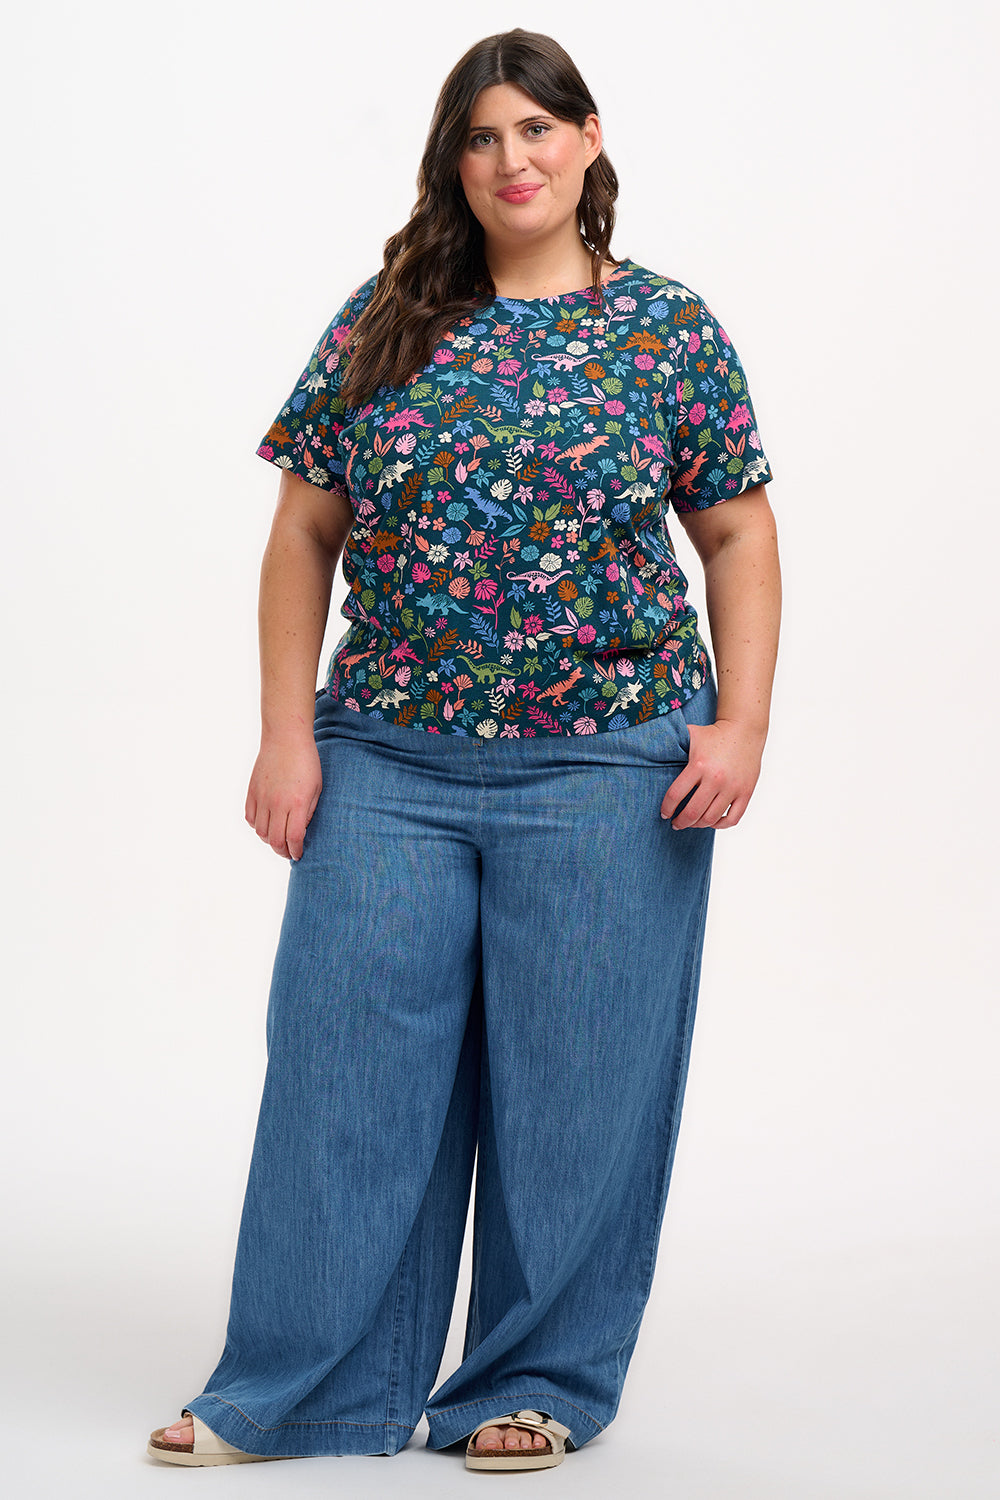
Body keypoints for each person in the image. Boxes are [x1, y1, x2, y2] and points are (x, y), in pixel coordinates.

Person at [147, 26, 780, 1474]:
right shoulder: (387, 317)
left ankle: (536, 1380)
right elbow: (306, 528)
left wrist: (741, 721)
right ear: (455, 159)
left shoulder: (668, 331)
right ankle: (303, 1388)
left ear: (591, 139)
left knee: (578, 1088)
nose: (514, 161)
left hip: (612, 765)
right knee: (342, 1075)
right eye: (484, 137)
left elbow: (737, 528)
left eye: (538, 132)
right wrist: (285, 734)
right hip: (390, 759)